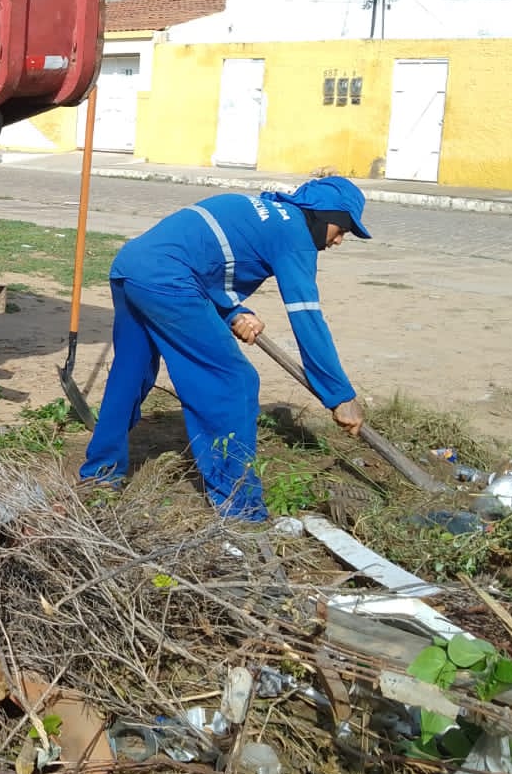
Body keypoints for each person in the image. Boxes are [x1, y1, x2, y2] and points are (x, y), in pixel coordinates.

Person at [78, 176, 371, 521]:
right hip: (168, 281)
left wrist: (235, 311)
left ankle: (99, 475)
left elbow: (208, 261)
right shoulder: (295, 235)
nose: (338, 241)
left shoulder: (262, 210)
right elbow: (307, 319)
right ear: (324, 214)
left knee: (131, 374)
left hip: (132, 268)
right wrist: (338, 395)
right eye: (344, 229)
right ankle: (239, 506)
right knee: (233, 382)